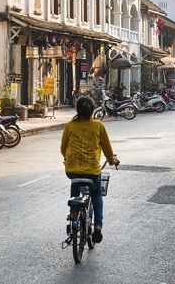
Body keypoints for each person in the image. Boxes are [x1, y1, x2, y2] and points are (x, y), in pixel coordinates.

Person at [61, 96, 119, 244]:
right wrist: (112, 160)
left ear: (77, 110)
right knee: (96, 194)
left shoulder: (70, 126)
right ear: (93, 110)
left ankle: (73, 213)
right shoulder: (98, 126)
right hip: (92, 171)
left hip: (72, 170)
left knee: (75, 183)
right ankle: (98, 226)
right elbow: (107, 149)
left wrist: (68, 159)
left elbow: (63, 148)